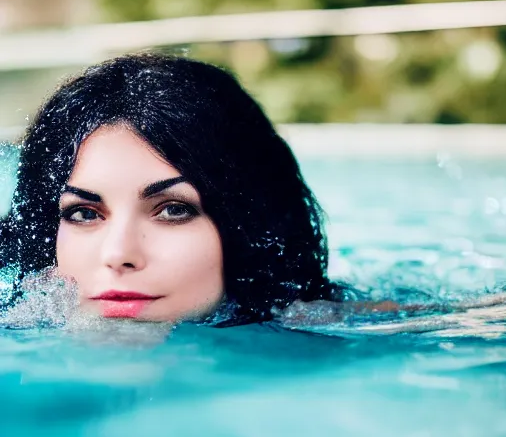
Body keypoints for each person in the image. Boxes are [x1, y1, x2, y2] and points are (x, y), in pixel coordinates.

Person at [0, 52, 359, 327]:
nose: (118, 253)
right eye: (85, 213)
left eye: (173, 209)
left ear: (248, 228)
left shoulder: (362, 333)